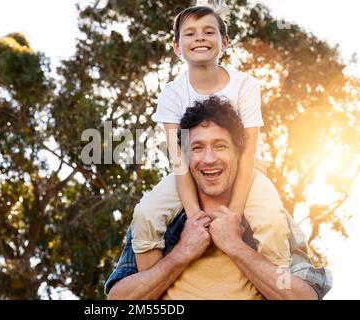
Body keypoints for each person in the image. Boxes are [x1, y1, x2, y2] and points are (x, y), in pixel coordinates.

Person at [105, 96, 332, 299]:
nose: (209, 158)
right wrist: (181, 254)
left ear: (238, 154)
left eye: (220, 146)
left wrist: (236, 246)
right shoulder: (162, 222)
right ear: (185, 158)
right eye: (197, 148)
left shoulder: (268, 218)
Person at [132, 4, 291, 275]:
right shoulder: (171, 94)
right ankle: (153, 285)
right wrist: (195, 216)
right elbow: (179, 161)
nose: (200, 38)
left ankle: (277, 285)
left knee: (273, 223)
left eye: (209, 31)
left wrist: (235, 215)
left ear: (224, 42)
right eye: (190, 34)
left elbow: (249, 153)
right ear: (176, 47)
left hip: (244, 169)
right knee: (146, 213)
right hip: (190, 171)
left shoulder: (246, 86)